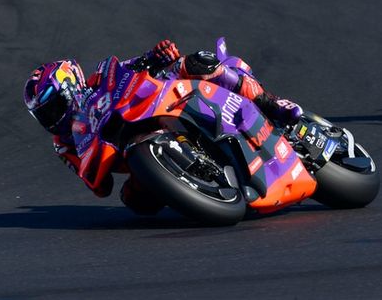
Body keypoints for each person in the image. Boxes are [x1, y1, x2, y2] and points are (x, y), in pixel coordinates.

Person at [23, 40, 302, 214]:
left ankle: (270, 103)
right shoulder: (64, 144)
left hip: (153, 110)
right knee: (135, 203)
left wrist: (157, 55)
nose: (52, 119)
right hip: (130, 153)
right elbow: (101, 187)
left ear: (70, 86)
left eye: (54, 108)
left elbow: (137, 66)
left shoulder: (99, 79)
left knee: (195, 62)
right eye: (44, 116)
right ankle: (199, 184)